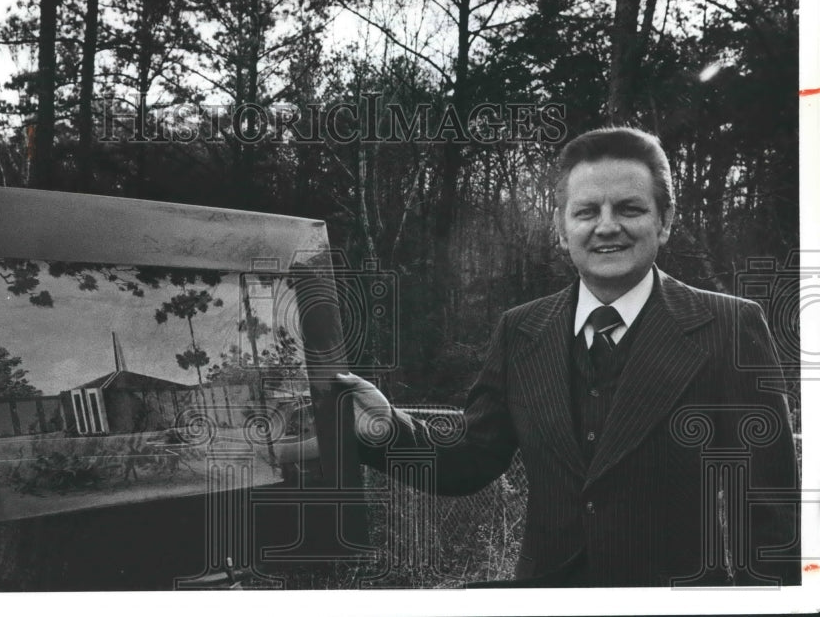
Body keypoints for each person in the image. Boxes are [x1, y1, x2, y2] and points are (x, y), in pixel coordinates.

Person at [340, 127, 800, 588]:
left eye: (630, 208)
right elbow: (470, 459)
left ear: (664, 220)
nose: (605, 226)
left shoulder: (730, 327)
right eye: (586, 212)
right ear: (562, 229)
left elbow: (772, 511)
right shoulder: (520, 330)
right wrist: (385, 428)